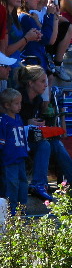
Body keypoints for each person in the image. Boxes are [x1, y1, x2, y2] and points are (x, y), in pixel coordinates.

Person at [19, 65, 72, 201]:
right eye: (42, 81)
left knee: (55, 143)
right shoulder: (19, 97)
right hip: (16, 139)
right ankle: (38, 184)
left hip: (30, 137)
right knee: (45, 145)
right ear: (30, 83)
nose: (46, 85)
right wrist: (27, 122)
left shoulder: (38, 100)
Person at [0, 87, 28, 215]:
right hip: (9, 158)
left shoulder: (19, 118)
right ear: (7, 105)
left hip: (20, 156)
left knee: (23, 183)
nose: (19, 106)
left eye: (20, 103)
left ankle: (22, 209)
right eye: (16, 103)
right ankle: (11, 211)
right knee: (12, 184)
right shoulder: (3, 121)